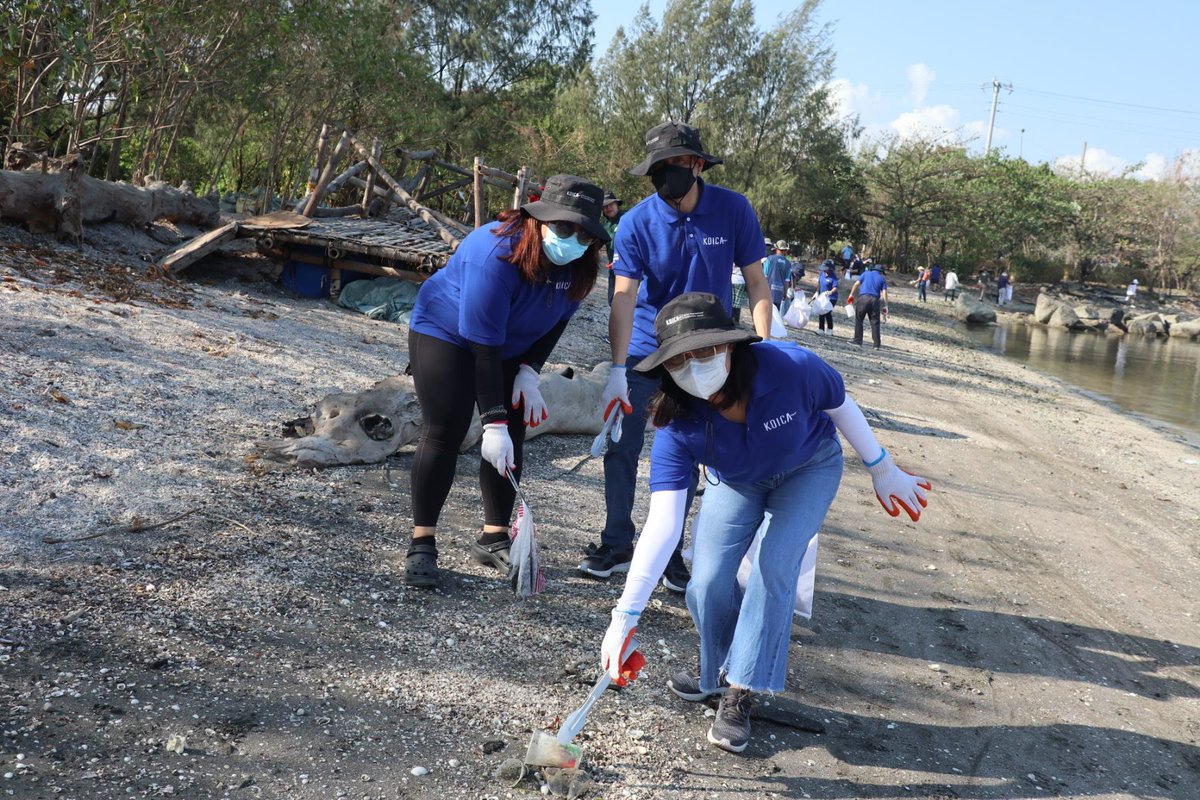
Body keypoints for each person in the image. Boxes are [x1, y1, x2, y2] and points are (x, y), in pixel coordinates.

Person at [598, 292, 931, 753]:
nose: (694, 367)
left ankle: (741, 690)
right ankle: (717, 668)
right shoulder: (675, 422)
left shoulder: (790, 368)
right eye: (680, 360)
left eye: (706, 352)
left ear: (731, 346)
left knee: (774, 567)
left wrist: (883, 469)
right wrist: (624, 615)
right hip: (735, 480)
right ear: (665, 368)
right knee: (706, 580)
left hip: (808, 468)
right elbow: (664, 523)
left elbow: (839, 404)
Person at [581, 120, 772, 591]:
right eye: (657, 169)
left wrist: (767, 349)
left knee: (691, 450)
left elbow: (756, 283)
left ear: (696, 164)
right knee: (623, 446)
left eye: (674, 165)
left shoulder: (733, 210)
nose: (666, 175)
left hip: (709, 350)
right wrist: (618, 370)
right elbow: (624, 297)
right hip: (650, 348)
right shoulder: (636, 222)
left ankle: (669, 553)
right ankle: (618, 542)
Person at [404, 175, 609, 587]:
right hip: (447, 333)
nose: (572, 239)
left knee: (513, 433)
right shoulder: (493, 252)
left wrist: (530, 372)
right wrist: (491, 421)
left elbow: (555, 323)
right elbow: (483, 347)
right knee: (446, 429)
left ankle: (494, 536)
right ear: (539, 218)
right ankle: (422, 542)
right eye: (564, 227)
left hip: (511, 345)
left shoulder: (580, 266)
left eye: (583, 234)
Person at [846, 263, 889, 349]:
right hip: (875, 301)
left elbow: (856, 284)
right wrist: (885, 305)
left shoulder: (865, 274)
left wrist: (851, 294)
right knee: (875, 322)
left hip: (863, 299)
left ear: (873, 269)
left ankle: (858, 341)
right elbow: (884, 292)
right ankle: (876, 345)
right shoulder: (882, 278)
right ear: (881, 272)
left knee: (859, 319)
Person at [601, 191, 623, 305]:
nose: (608, 208)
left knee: (627, 302)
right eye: (605, 206)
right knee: (612, 301)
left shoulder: (628, 218)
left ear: (617, 204)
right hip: (613, 269)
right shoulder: (604, 226)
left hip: (630, 269)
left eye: (611, 204)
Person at [763, 240, 793, 311]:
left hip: (768, 290)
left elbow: (764, 275)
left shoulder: (770, 259)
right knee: (776, 312)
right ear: (785, 250)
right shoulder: (788, 263)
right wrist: (785, 293)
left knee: (767, 312)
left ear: (776, 249)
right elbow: (787, 281)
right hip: (780, 292)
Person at [816, 260, 838, 335]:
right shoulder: (822, 274)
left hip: (832, 298)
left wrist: (831, 292)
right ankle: (821, 329)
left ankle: (830, 329)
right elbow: (819, 283)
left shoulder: (833, 276)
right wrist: (817, 292)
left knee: (827, 312)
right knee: (821, 311)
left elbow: (835, 287)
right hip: (822, 297)